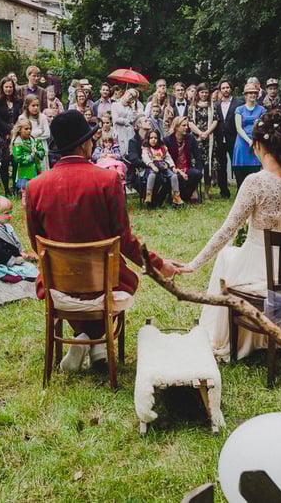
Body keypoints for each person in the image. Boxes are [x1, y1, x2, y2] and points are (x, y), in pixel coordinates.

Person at [26, 110, 177, 371]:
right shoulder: (108, 180)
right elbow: (126, 240)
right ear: (85, 144)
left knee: (86, 285)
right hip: (104, 280)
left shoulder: (35, 186)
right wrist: (158, 264)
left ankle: (85, 336)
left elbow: (35, 242)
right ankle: (94, 339)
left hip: (57, 282)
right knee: (123, 281)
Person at [176, 110, 281, 361]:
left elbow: (228, 230)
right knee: (229, 255)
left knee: (226, 257)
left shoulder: (254, 182)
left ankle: (222, 333)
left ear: (258, 145)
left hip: (259, 275)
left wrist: (193, 265)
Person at [0, 76, 22, 196]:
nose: (8, 89)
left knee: (15, 161)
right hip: (2, 136)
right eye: (6, 87)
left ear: (13, 88)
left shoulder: (18, 101)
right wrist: (9, 130)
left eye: (10, 87)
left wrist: (15, 130)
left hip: (16, 134)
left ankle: (15, 187)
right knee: (4, 163)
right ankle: (6, 189)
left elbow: (20, 116)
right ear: (2, 88)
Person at [188, 82, 218, 200]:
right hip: (196, 140)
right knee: (196, 165)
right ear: (198, 93)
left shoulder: (212, 105)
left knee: (208, 166)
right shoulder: (192, 107)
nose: (204, 94)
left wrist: (207, 132)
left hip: (209, 140)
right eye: (202, 92)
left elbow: (215, 120)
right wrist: (200, 133)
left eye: (206, 92)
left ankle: (207, 191)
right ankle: (195, 191)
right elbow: (190, 122)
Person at [233, 83, 265, 189]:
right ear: (245, 95)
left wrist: (255, 140)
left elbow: (264, 126)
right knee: (241, 171)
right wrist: (248, 141)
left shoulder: (261, 109)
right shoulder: (239, 109)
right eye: (250, 93)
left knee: (255, 171)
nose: (252, 95)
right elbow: (238, 128)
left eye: (254, 93)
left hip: (256, 141)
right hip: (242, 142)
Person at [164, 117, 203, 203]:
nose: (186, 127)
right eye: (183, 125)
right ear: (176, 127)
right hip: (173, 169)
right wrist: (173, 169)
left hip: (187, 167)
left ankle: (185, 196)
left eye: (187, 125)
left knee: (197, 174)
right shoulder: (167, 140)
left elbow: (198, 156)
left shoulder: (190, 138)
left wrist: (199, 169)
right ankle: (177, 197)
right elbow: (165, 159)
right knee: (177, 177)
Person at [214, 79, 241, 197]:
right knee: (221, 166)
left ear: (231, 89)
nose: (225, 90)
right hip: (219, 139)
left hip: (234, 138)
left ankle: (240, 189)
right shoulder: (216, 105)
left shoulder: (238, 103)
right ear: (220, 90)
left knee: (236, 165)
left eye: (227, 87)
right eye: (223, 88)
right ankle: (224, 191)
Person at [142, 128, 183, 208]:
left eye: (155, 138)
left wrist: (172, 166)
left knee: (174, 176)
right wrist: (151, 165)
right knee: (152, 175)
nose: (153, 140)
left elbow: (168, 157)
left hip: (162, 166)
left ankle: (176, 196)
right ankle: (149, 194)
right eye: (151, 138)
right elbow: (145, 157)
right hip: (152, 167)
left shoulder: (162, 148)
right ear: (148, 138)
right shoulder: (146, 149)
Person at [12, 118, 45, 208]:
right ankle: (26, 206)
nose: (29, 131)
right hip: (25, 171)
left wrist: (38, 152)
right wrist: (31, 156)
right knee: (25, 190)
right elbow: (18, 158)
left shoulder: (34, 140)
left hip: (36, 169)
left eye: (30, 128)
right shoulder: (18, 143)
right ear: (19, 130)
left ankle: (35, 205)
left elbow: (42, 151)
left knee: (36, 188)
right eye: (26, 129)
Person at [19, 95, 50, 171]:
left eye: (37, 105)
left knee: (42, 171)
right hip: (28, 148)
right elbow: (23, 134)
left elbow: (47, 133)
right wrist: (39, 131)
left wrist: (32, 135)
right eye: (33, 105)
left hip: (41, 148)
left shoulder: (43, 117)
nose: (36, 108)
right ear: (27, 106)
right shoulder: (22, 118)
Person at [111, 89, 137, 155]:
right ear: (125, 93)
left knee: (129, 152)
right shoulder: (115, 105)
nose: (131, 97)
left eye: (133, 97)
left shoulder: (130, 108)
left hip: (129, 133)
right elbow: (116, 119)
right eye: (130, 94)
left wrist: (133, 108)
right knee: (119, 152)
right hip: (118, 132)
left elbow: (133, 120)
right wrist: (127, 121)